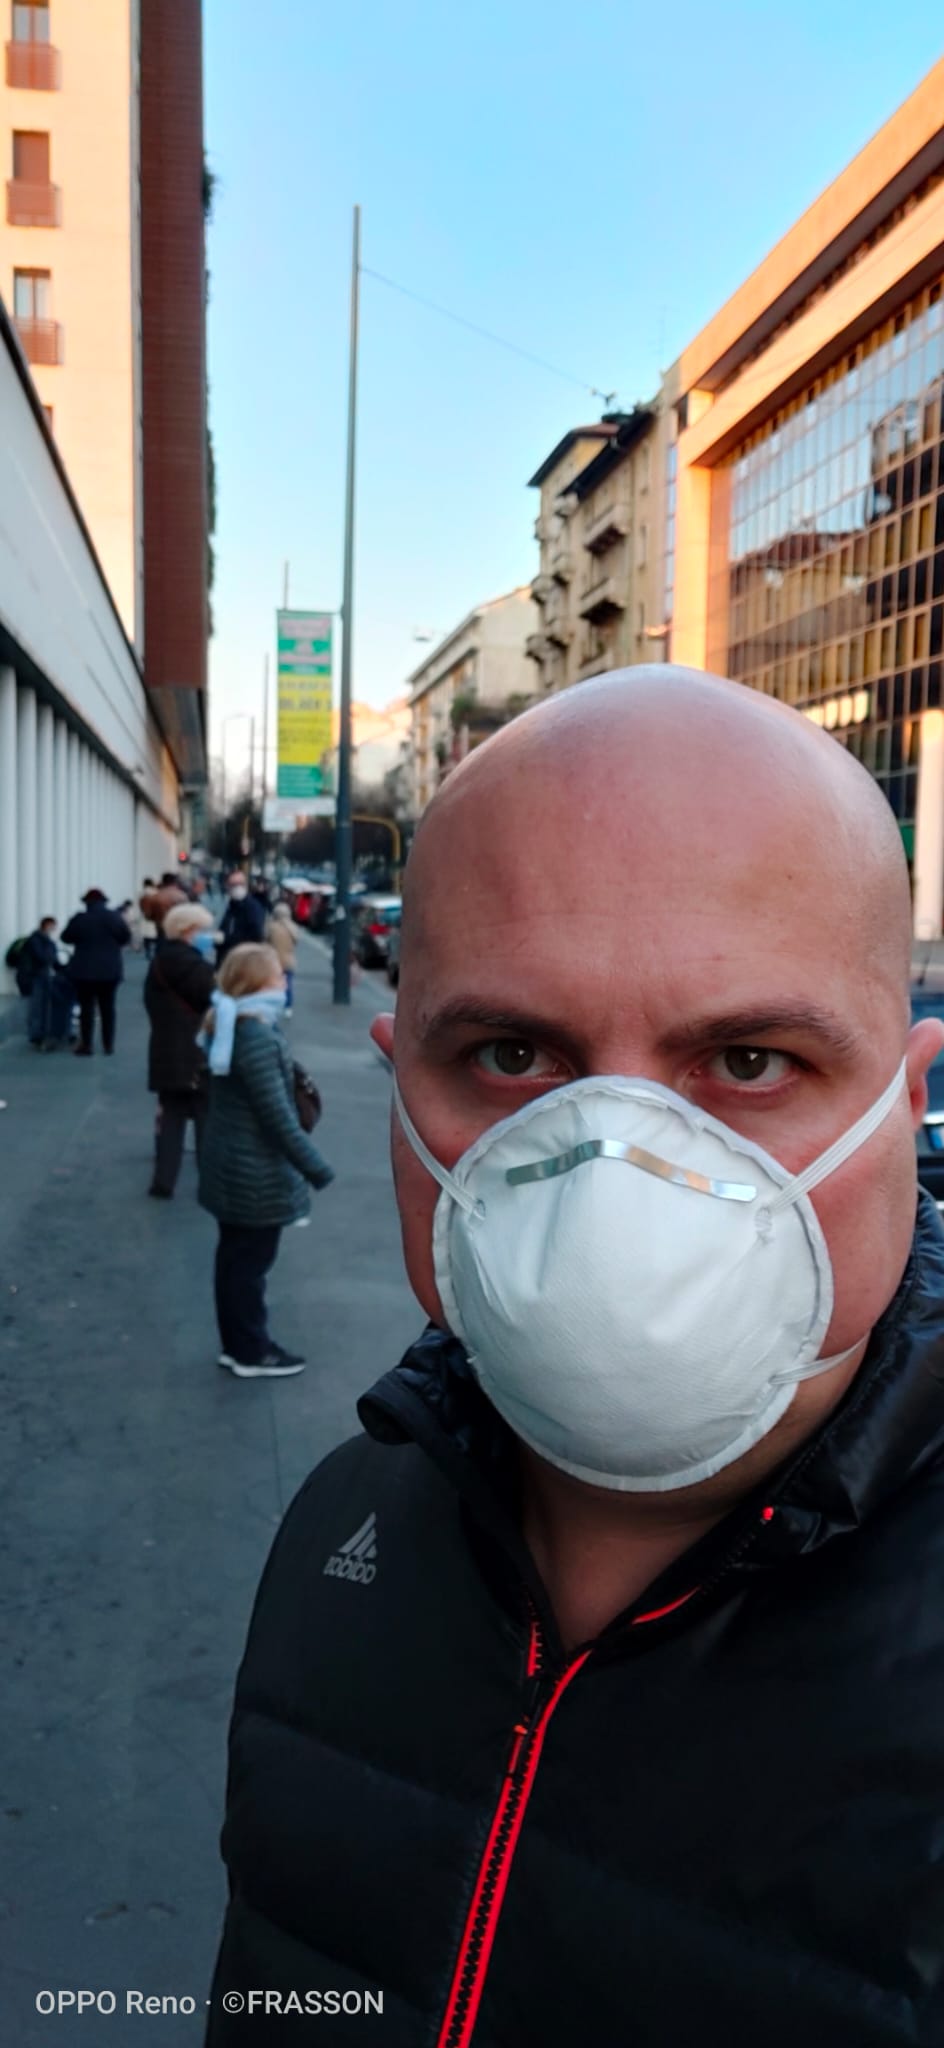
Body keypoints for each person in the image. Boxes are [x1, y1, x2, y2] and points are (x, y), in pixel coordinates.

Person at [206, 666, 944, 2046]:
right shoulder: (342, 1536)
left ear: (904, 1104)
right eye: (510, 1052)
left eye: (748, 1063)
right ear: (397, 1083)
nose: (616, 1170)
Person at [198, 942, 334, 1378]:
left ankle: (238, 1345)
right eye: (276, 974)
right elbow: (277, 1116)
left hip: (233, 1165)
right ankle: (251, 1351)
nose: (283, 980)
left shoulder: (235, 1024)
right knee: (248, 1266)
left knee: (235, 1260)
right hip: (250, 1172)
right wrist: (317, 1168)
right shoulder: (252, 1035)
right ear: (257, 981)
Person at [143, 901, 218, 1199]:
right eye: (202, 930)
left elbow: (150, 1004)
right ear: (189, 931)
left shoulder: (159, 962)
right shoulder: (197, 967)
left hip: (164, 1050)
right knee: (204, 1117)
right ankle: (208, 1181)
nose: (206, 935)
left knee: (171, 1116)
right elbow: (216, 1002)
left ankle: (163, 1180)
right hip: (197, 1052)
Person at [61, 889, 131, 1056]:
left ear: (86, 903)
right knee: (108, 1008)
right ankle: (108, 1045)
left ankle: (87, 1045)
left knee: (86, 1009)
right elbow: (125, 938)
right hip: (110, 970)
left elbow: (66, 937)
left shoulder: (80, 919)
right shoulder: (114, 917)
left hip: (84, 971)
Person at [218, 871, 266, 958]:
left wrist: (227, 939)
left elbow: (256, 934)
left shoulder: (253, 907)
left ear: (245, 885)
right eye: (233, 884)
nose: (237, 887)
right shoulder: (232, 905)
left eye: (240, 884)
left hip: (243, 959)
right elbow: (225, 928)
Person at [266, 902, 297, 1016]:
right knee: (288, 984)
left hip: (274, 960)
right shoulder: (293, 927)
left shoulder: (272, 927)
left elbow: (266, 940)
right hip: (289, 960)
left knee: (272, 984)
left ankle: (274, 1005)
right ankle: (288, 1007)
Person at [140, 880, 159, 961]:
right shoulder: (156, 892)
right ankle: (156, 952)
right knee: (155, 935)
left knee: (146, 936)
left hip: (145, 916)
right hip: (154, 916)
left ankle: (147, 952)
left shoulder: (141, 893)